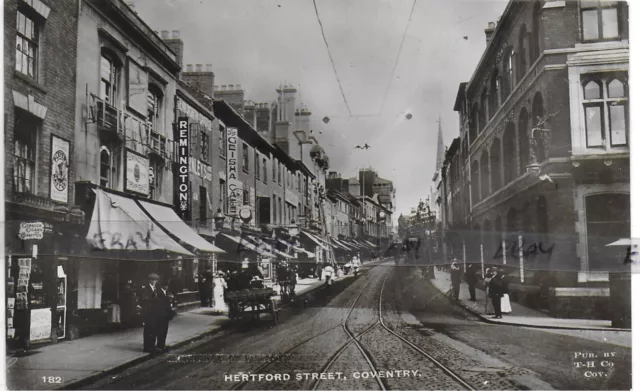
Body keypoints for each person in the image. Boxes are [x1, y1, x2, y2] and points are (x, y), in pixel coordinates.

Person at [140, 273, 161, 353]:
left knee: (154, 330)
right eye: (153, 280)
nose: (154, 282)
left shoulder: (155, 289)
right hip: (148, 314)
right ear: (150, 280)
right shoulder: (146, 289)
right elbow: (144, 301)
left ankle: (152, 346)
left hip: (155, 314)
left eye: (155, 280)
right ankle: (147, 347)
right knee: (148, 331)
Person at [156, 281, 174, 352]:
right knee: (161, 330)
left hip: (165, 315)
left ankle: (162, 344)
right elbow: (161, 304)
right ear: (162, 286)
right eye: (165, 285)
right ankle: (160, 345)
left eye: (167, 285)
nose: (166, 287)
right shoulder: (160, 293)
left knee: (164, 330)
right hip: (162, 315)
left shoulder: (166, 292)